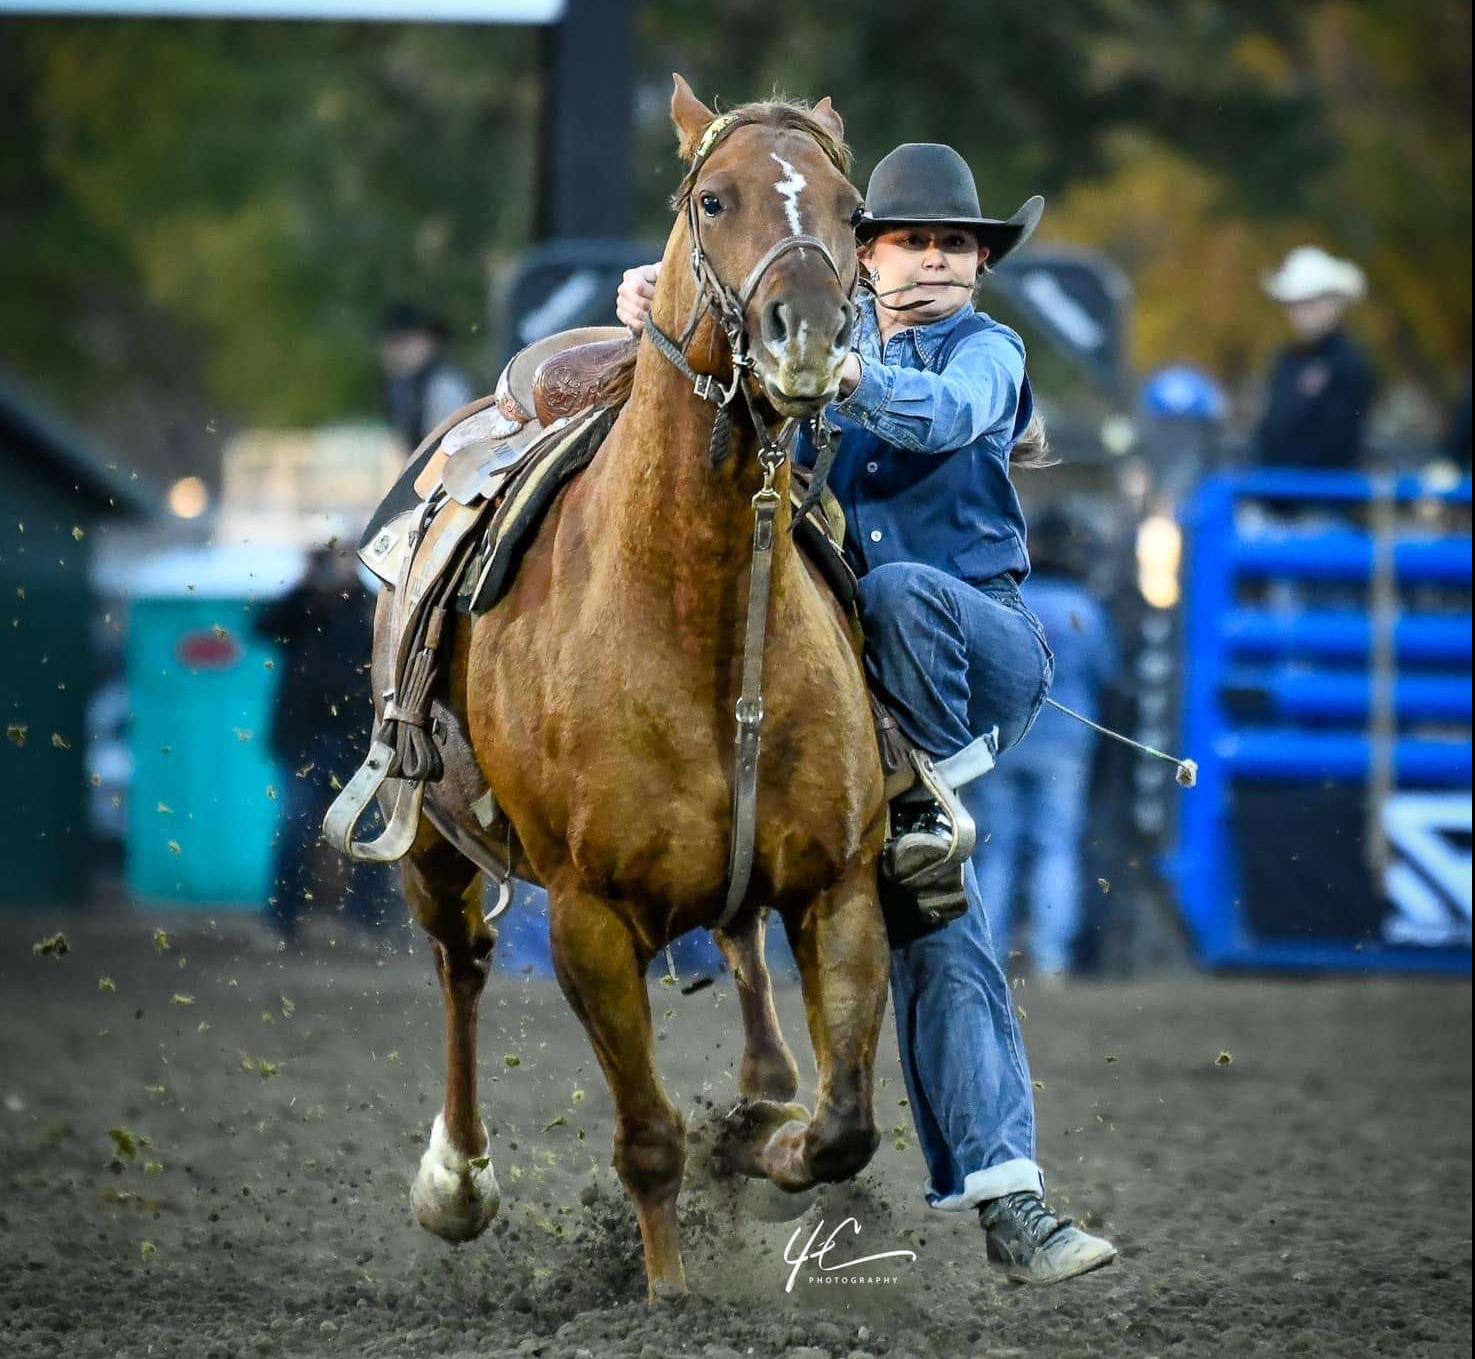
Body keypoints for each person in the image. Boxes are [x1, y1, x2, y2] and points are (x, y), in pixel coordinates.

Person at [617, 141, 1115, 1284]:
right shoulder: (806, 339)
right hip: (860, 701)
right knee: (939, 935)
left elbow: (944, 417)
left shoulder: (989, 353)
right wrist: (657, 305)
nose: (933, 262)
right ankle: (1010, 1203)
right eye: (909, 242)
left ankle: (918, 795)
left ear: (980, 271)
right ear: (862, 254)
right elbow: (699, 380)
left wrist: (846, 380)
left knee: (891, 591)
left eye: (954, 246)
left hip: (977, 658)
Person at [974, 506, 1118, 979]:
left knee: (997, 848)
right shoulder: (1086, 610)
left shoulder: (1011, 604)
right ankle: (1050, 959)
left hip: (1004, 740)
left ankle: (990, 957)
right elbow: (1107, 675)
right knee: (1056, 847)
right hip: (1066, 746)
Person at [254, 542, 382, 944]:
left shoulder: (367, 605)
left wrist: (352, 584)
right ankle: (282, 919)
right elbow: (262, 627)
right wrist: (305, 584)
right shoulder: (303, 604)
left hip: (358, 742)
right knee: (297, 826)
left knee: (367, 832)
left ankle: (369, 922)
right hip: (305, 739)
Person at [1254, 246, 1376, 470]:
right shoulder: (1287, 360)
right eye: (1293, 304)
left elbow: (1338, 437)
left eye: (1308, 303)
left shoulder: (1349, 363)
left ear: (1334, 304)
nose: (1298, 313)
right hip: (1278, 489)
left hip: (1325, 494)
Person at [378, 302, 477, 455]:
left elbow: (452, 453)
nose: (395, 351)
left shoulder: (445, 387)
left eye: (402, 343)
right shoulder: (402, 388)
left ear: (426, 342)